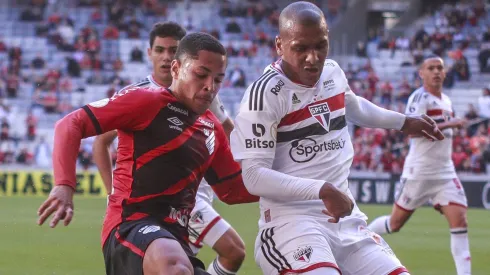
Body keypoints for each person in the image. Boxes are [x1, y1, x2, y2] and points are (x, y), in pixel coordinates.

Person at [230, 2, 444, 275]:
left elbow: (353, 107)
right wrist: (323, 189)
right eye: (300, 48)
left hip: (347, 221)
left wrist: (402, 122)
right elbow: (253, 177)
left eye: (320, 45)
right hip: (291, 224)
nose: (313, 57)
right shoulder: (265, 94)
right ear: (279, 45)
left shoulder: (332, 72)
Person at [37, 32, 258, 275]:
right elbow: (70, 124)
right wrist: (64, 185)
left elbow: (233, 190)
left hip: (175, 240)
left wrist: (293, 179)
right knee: (174, 266)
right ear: (176, 68)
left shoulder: (211, 127)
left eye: (218, 79)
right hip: (130, 228)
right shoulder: (144, 101)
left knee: (187, 261)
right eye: (201, 74)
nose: (210, 86)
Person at [92, 22, 246, 275]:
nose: (165, 57)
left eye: (173, 50)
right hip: (158, 203)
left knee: (214, 257)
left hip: (190, 198)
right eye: (159, 50)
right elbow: (101, 140)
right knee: (225, 252)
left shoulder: (205, 94)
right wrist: (112, 195)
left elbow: (228, 132)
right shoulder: (137, 94)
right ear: (149, 52)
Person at [368, 56, 471, 275]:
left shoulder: (447, 101)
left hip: (444, 171)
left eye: (439, 68)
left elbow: (441, 132)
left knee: (460, 220)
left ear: (444, 73)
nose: (436, 72)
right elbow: (412, 130)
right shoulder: (419, 97)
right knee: (395, 224)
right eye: (431, 68)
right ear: (421, 74)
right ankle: (363, 237)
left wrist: (450, 126)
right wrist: (452, 123)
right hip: (419, 172)